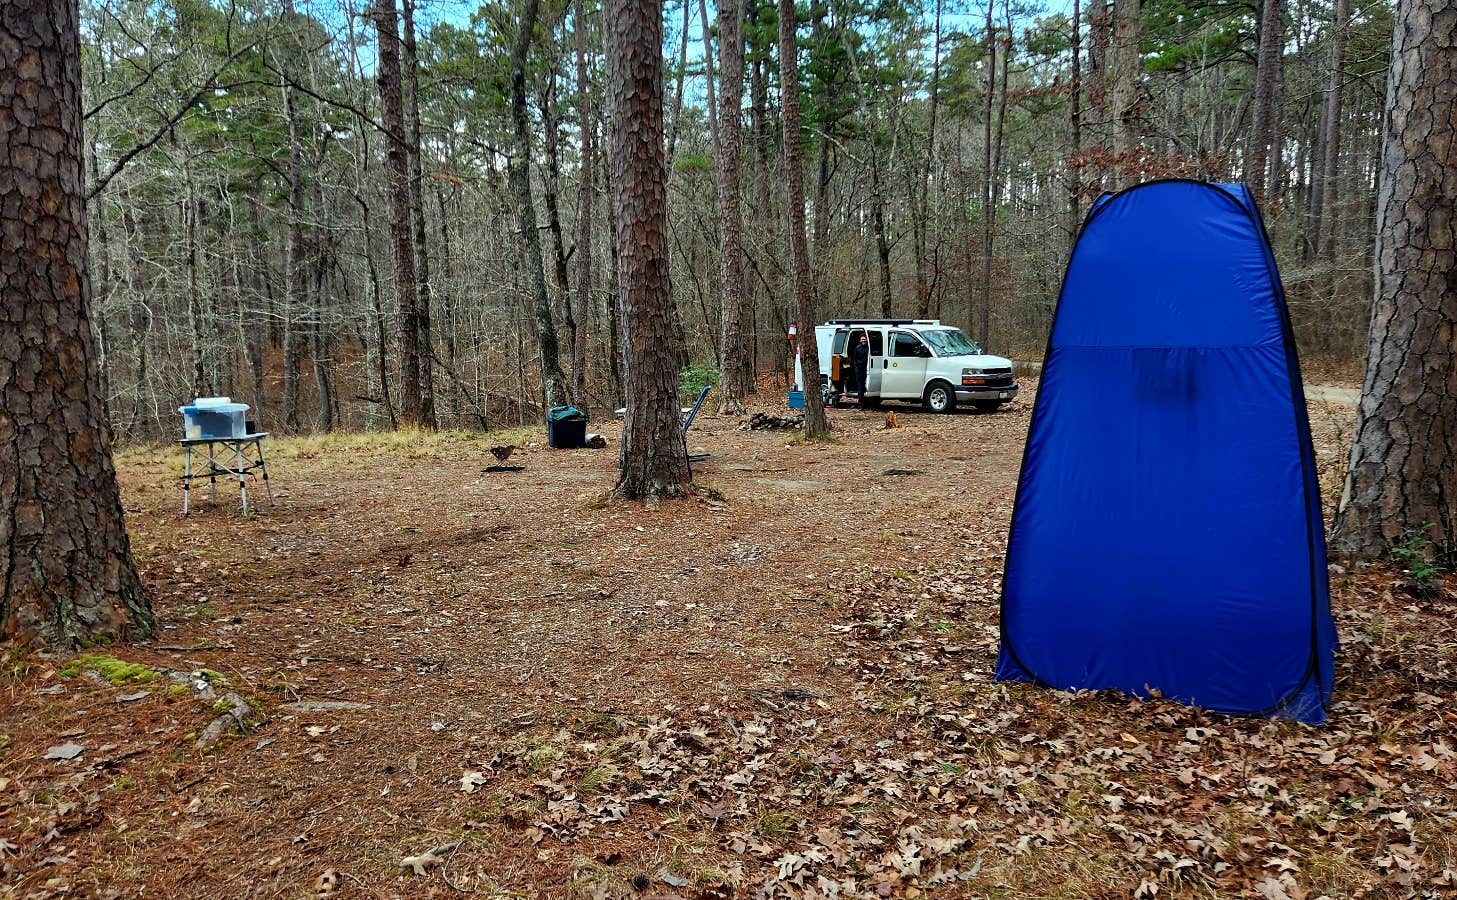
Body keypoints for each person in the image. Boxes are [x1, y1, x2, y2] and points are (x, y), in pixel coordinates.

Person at [850, 332, 870, 409]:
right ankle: (860, 404)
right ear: (860, 340)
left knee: (866, 386)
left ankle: (866, 402)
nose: (863, 341)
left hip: (868, 369)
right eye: (862, 339)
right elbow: (854, 359)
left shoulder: (869, 348)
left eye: (864, 339)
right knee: (860, 387)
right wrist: (857, 367)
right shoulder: (857, 348)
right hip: (859, 369)